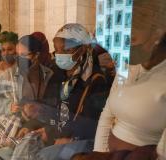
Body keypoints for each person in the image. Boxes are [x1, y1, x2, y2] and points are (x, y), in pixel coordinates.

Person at [12, 24, 114, 160]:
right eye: (57, 50)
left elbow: (91, 124)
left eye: (66, 50)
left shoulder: (96, 81)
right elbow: (51, 108)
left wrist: (52, 132)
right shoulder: (59, 74)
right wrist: (33, 125)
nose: (60, 55)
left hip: (78, 143)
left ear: (83, 49)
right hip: (56, 135)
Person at [93, 32, 166, 153]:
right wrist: (99, 152)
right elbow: (107, 114)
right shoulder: (127, 66)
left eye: (131, 40)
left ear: (156, 37)